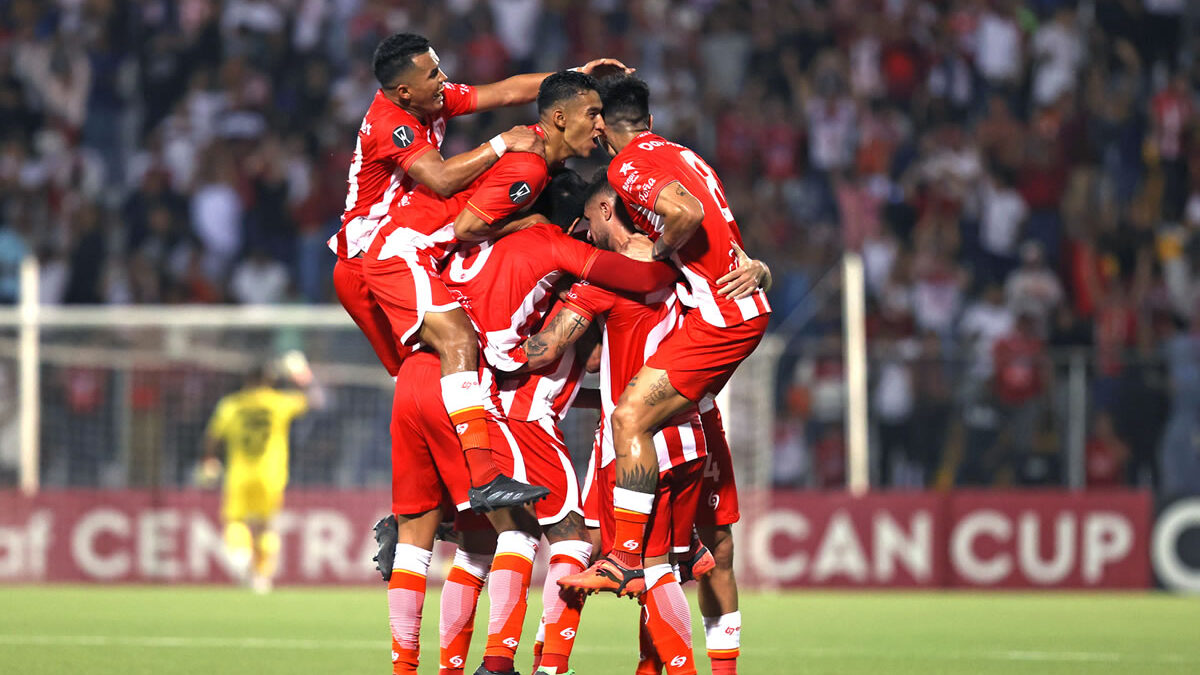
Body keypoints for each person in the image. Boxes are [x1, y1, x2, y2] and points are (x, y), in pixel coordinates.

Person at [335, 33, 629, 513]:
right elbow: (445, 179)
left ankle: (426, 512)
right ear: (403, 90)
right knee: (456, 350)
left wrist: (575, 78)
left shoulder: (428, 99)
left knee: (425, 391)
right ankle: (482, 480)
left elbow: (508, 90)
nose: (444, 80)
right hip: (369, 260)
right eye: (433, 74)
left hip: (404, 252)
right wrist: (500, 145)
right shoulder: (393, 123)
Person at [523, 179, 766, 675]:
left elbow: (547, 350)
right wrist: (759, 270)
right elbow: (597, 362)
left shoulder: (604, 281)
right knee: (670, 564)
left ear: (607, 210)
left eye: (589, 224)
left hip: (633, 444)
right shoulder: (681, 271)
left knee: (590, 548)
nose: (587, 236)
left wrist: (494, 341)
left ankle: (551, 665)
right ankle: (650, 666)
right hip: (690, 434)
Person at [559, 77, 770, 621]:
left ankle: (627, 557)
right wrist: (760, 268)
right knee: (667, 415)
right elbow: (722, 234)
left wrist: (655, 247)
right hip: (734, 311)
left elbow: (687, 217)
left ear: (603, 121)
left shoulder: (628, 166)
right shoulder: (684, 155)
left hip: (720, 321)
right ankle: (685, 544)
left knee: (630, 416)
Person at [200, 352, 323, 594]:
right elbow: (317, 400)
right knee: (266, 526)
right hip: (272, 474)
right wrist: (302, 375)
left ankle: (241, 556)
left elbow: (212, 437)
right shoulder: (279, 402)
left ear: (247, 379)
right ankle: (261, 578)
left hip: (240, 474)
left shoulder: (232, 404)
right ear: (270, 380)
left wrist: (209, 459)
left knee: (236, 520)